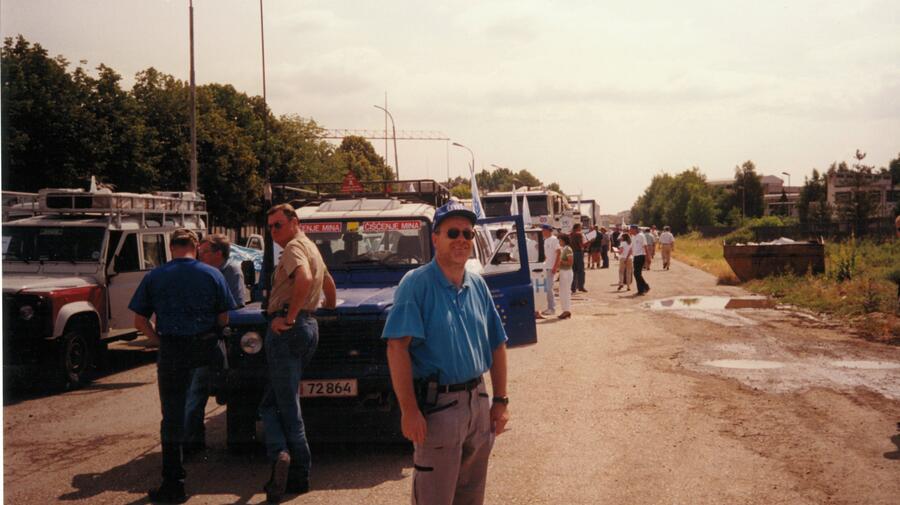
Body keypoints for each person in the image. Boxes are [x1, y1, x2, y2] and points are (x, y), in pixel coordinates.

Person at [382, 200, 509, 505]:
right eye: (453, 232)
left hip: (478, 404)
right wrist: (409, 411)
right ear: (435, 238)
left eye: (468, 233)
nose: (462, 240)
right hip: (439, 409)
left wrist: (501, 400)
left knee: (471, 497)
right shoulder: (416, 284)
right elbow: (397, 347)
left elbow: (497, 343)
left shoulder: (477, 285)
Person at [129, 228, 237, 504]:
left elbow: (139, 322)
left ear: (171, 247)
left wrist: (159, 342)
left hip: (173, 350)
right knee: (220, 400)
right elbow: (225, 317)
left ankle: (174, 483)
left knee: (172, 416)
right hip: (206, 348)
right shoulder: (212, 274)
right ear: (196, 246)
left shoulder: (155, 276)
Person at [260, 204, 337, 503]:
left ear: (294, 223)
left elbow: (304, 279)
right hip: (308, 327)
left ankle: (292, 466)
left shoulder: (293, 248)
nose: (273, 232)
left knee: (284, 405)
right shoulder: (310, 247)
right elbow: (328, 283)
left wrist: (290, 317)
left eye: (278, 225)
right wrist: (327, 307)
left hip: (288, 329)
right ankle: (285, 459)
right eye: (270, 227)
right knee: (275, 400)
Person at [182, 234, 245, 456]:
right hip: (198, 336)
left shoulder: (231, 270)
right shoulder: (199, 271)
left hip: (215, 338)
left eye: (205, 251)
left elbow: (234, 307)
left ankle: (189, 442)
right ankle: (193, 441)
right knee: (193, 390)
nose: (199, 255)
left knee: (197, 388)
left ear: (219, 253)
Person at [540, 224, 560, 316]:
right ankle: (548, 307)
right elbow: (546, 255)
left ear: (548, 230)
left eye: (543, 230)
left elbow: (559, 253)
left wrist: (555, 266)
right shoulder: (545, 240)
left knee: (549, 288)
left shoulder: (554, 239)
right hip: (546, 266)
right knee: (546, 288)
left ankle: (552, 308)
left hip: (551, 267)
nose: (542, 232)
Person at [630, 225, 650, 295]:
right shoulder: (633, 237)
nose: (630, 230)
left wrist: (648, 257)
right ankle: (641, 290)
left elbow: (645, 246)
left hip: (641, 256)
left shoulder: (641, 236)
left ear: (635, 229)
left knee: (636, 273)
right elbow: (632, 247)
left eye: (631, 229)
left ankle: (645, 286)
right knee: (637, 274)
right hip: (635, 256)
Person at [557, 234, 574, 319]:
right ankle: (565, 310)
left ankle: (567, 311)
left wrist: (560, 261)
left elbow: (570, 262)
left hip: (567, 272)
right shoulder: (563, 249)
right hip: (563, 271)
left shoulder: (568, 249)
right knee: (562, 292)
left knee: (566, 292)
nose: (559, 242)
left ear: (563, 241)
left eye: (560, 240)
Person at [569, 223, 587, 293]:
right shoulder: (579, 234)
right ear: (577, 227)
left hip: (572, 253)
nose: (581, 228)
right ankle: (581, 286)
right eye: (580, 227)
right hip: (579, 253)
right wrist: (590, 242)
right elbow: (581, 245)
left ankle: (573, 287)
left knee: (573, 271)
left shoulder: (570, 234)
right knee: (581, 271)